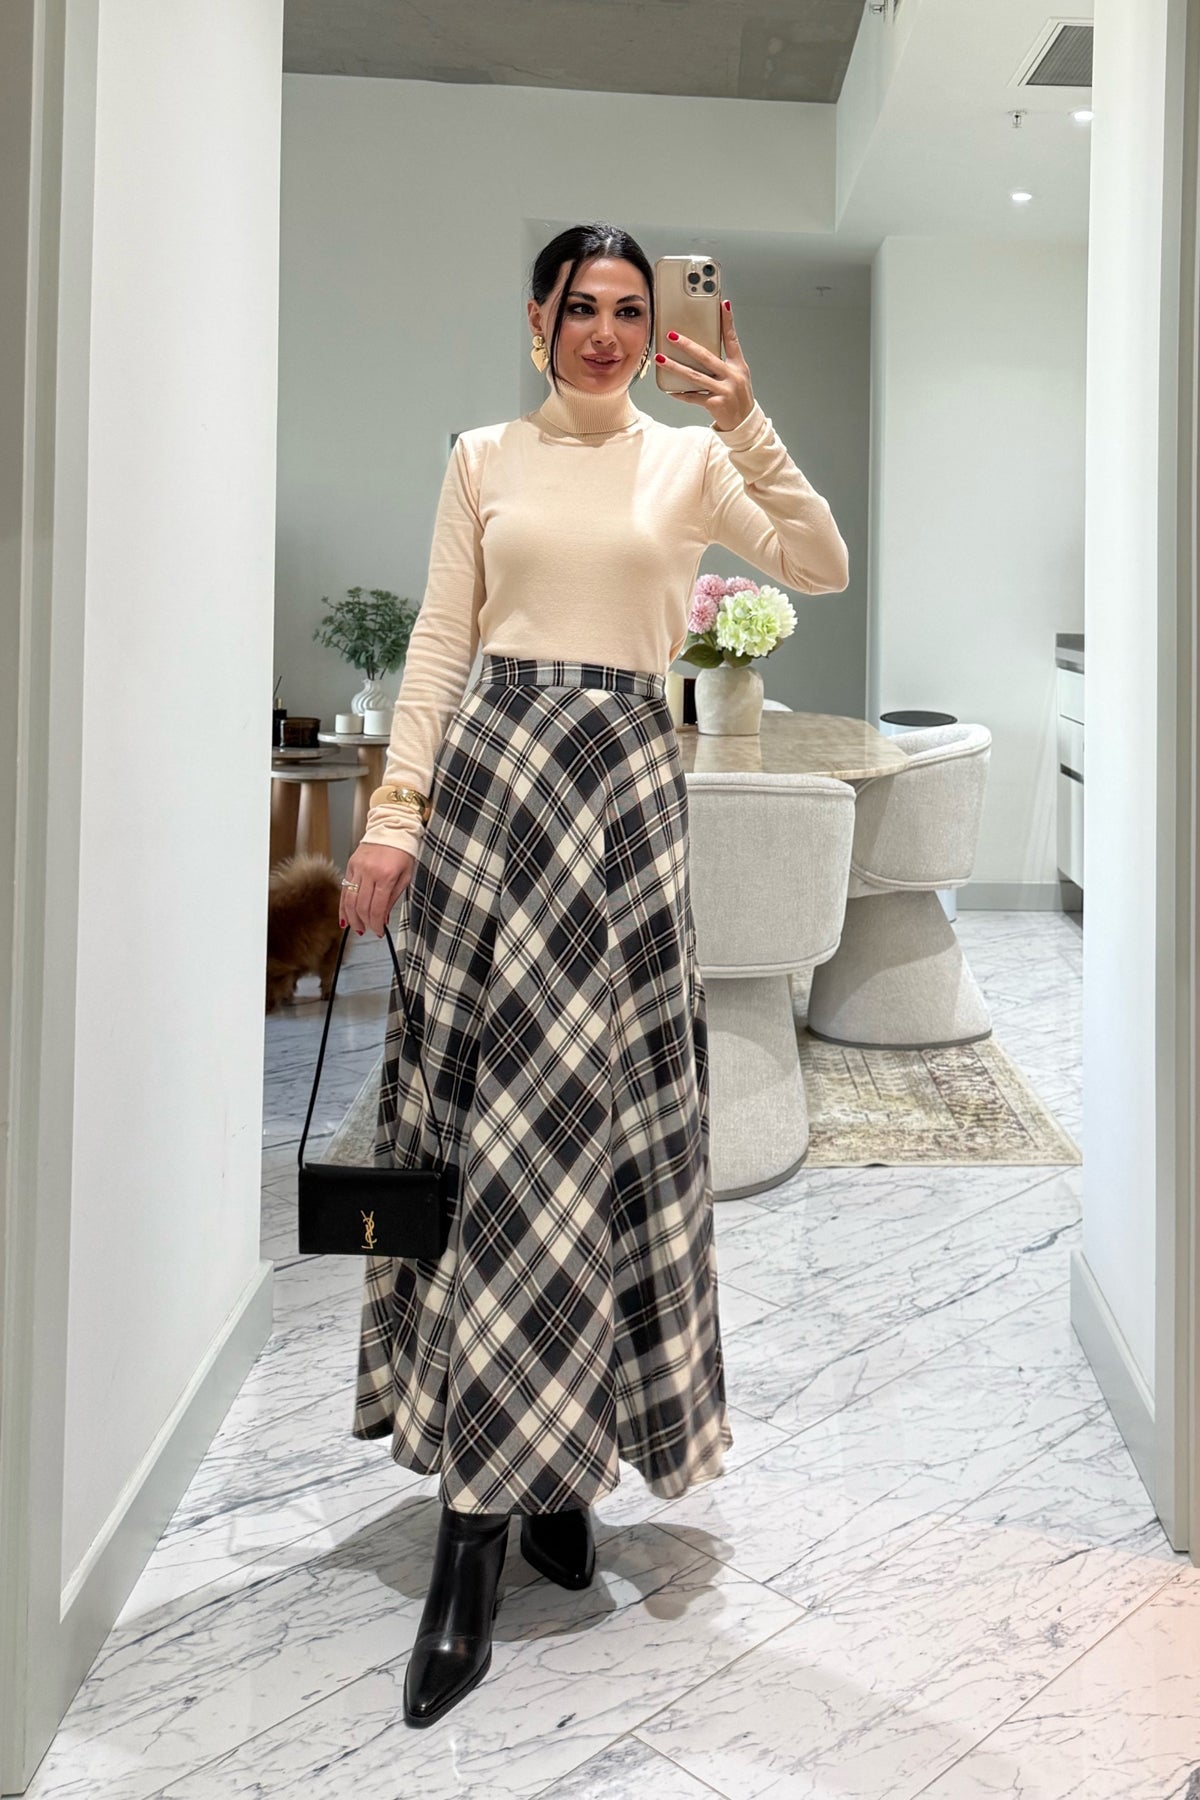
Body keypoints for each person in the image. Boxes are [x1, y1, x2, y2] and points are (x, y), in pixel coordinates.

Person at [337, 222, 850, 1728]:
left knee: (596, 1141)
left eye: (633, 309)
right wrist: (393, 816)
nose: (611, 332)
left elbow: (818, 561)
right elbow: (442, 642)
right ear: (539, 319)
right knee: (489, 1144)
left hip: (622, 807)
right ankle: (475, 1525)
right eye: (584, 308)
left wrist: (746, 415)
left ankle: (560, 1473)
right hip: (492, 798)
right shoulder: (483, 458)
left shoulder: (688, 460)